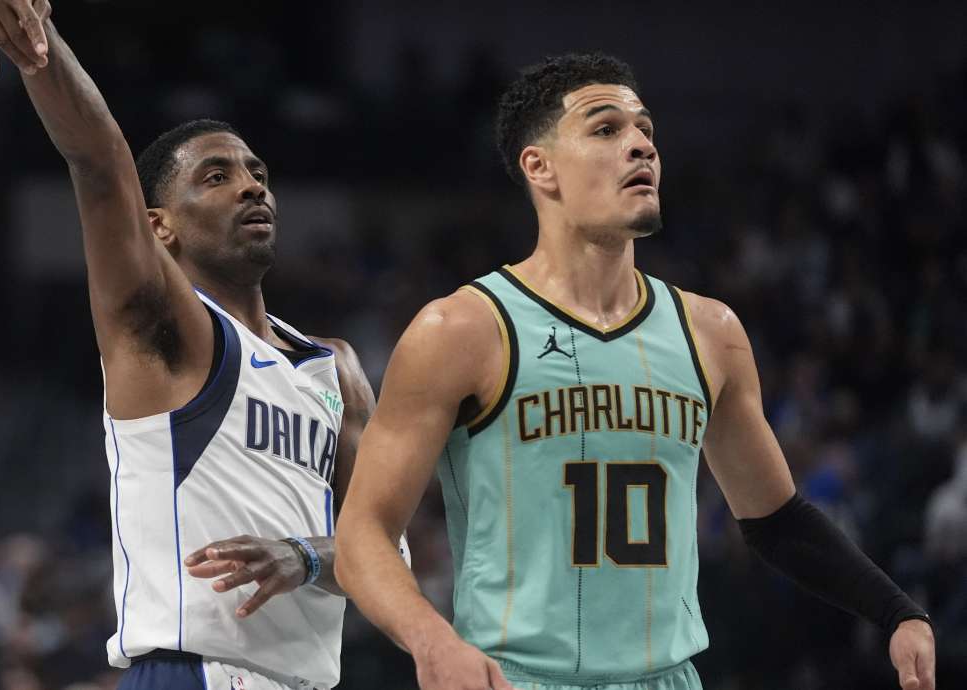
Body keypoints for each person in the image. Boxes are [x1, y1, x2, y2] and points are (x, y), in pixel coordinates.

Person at [334, 53, 937, 690]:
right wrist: (431, 641)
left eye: (645, 130)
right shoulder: (460, 329)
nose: (641, 145)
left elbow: (777, 521)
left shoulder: (711, 332)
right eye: (605, 129)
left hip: (667, 678)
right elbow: (362, 534)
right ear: (540, 167)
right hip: (518, 678)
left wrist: (896, 612)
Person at [0, 2, 379, 689]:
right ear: (158, 227)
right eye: (217, 177)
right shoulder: (164, 331)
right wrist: (39, 45)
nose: (251, 186)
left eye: (257, 173)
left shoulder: (334, 366)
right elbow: (101, 164)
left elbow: (385, 550)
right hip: (191, 671)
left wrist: (305, 556)